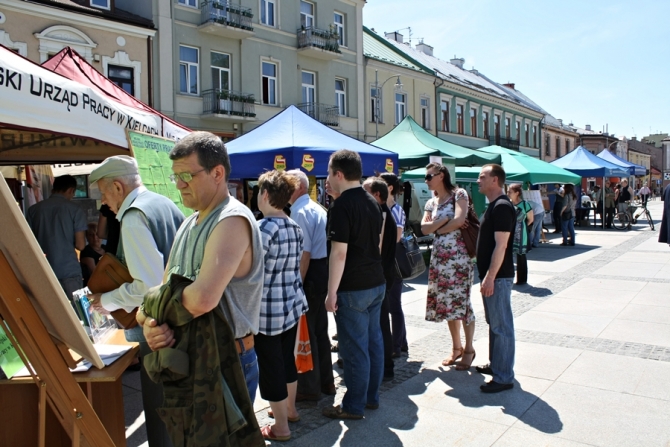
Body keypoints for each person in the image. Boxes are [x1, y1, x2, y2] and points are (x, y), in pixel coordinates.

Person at [139, 132, 264, 408]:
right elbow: (162, 290)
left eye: (186, 175)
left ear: (217, 173)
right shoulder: (188, 222)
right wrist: (149, 324)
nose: (179, 185)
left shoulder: (232, 219)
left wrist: (155, 310)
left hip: (224, 363)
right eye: (176, 177)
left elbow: (203, 298)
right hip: (191, 359)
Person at [86, 155, 184, 447]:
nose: (104, 203)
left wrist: (107, 299)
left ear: (118, 187)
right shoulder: (162, 202)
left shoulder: (133, 217)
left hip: (157, 326)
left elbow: (147, 287)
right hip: (180, 319)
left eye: (104, 193)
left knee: (161, 409)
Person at [322, 149, 386, 420]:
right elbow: (378, 243)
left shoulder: (343, 206)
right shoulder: (372, 201)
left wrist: (331, 292)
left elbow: (339, 253)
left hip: (354, 287)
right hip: (375, 281)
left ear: (338, 174)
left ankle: (353, 405)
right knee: (373, 343)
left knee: (355, 348)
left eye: (328, 172)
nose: (327, 178)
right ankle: (370, 397)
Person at [254, 170, 308, 442]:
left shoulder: (264, 228)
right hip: (291, 303)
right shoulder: (293, 225)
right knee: (286, 359)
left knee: (271, 365)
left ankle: (282, 427)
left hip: (268, 310)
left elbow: (252, 271)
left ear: (265, 194)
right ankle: (290, 410)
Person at [286, 169, 336, 401]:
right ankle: (326, 382)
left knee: (307, 332)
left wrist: (297, 284)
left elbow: (303, 255)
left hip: (311, 273)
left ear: (297, 186)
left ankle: (309, 388)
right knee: (318, 330)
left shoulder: (301, 211)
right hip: (320, 270)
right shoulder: (315, 208)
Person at [421, 163, 476, 371]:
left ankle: (469, 349)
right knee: (446, 303)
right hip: (440, 259)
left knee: (462, 303)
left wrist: (438, 226)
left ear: (441, 175)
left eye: (429, 176)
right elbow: (424, 229)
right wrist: (445, 220)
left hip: (459, 258)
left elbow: (460, 219)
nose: (426, 180)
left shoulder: (459, 193)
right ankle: (456, 348)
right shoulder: (431, 202)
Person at [474, 164, 516, 393]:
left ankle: (504, 377)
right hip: (492, 277)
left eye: (482, 176)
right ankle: (497, 365)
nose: (478, 180)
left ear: (495, 180)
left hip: (498, 278)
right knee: (495, 325)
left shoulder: (501, 207)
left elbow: (501, 246)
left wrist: (491, 277)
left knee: (502, 327)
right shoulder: (494, 206)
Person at [27, 174, 87, 300]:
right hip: (69, 270)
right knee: (77, 313)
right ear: (71, 190)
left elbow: (28, 241)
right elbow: (80, 245)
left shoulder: (33, 210)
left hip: (42, 270)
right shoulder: (75, 210)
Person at [362, 177, 397, 381]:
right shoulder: (380, 213)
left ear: (376, 195)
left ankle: (385, 367)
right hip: (382, 276)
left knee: (381, 324)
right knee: (380, 323)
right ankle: (384, 366)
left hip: (380, 277)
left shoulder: (382, 215)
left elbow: (378, 250)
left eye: (366, 191)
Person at [379, 172, 409, 358]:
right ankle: (402, 342)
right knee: (391, 304)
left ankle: (396, 346)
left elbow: (396, 238)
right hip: (385, 262)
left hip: (393, 263)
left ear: (389, 188)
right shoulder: (382, 208)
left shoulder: (396, 210)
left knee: (394, 306)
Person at [508, 184, 533, 285]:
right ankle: (508, 279)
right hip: (509, 234)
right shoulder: (508, 204)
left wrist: (520, 226)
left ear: (517, 193)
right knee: (508, 256)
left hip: (521, 234)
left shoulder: (525, 204)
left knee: (521, 256)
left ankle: (522, 280)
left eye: (510, 192)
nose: (508, 193)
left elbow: (531, 219)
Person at [80, 222, 105, 287]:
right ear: (87, 237)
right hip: (93, 286)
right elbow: (95, 272)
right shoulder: (86, 251)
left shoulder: (106, 248)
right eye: (91, 235)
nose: (95, 237)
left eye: (97, 234)